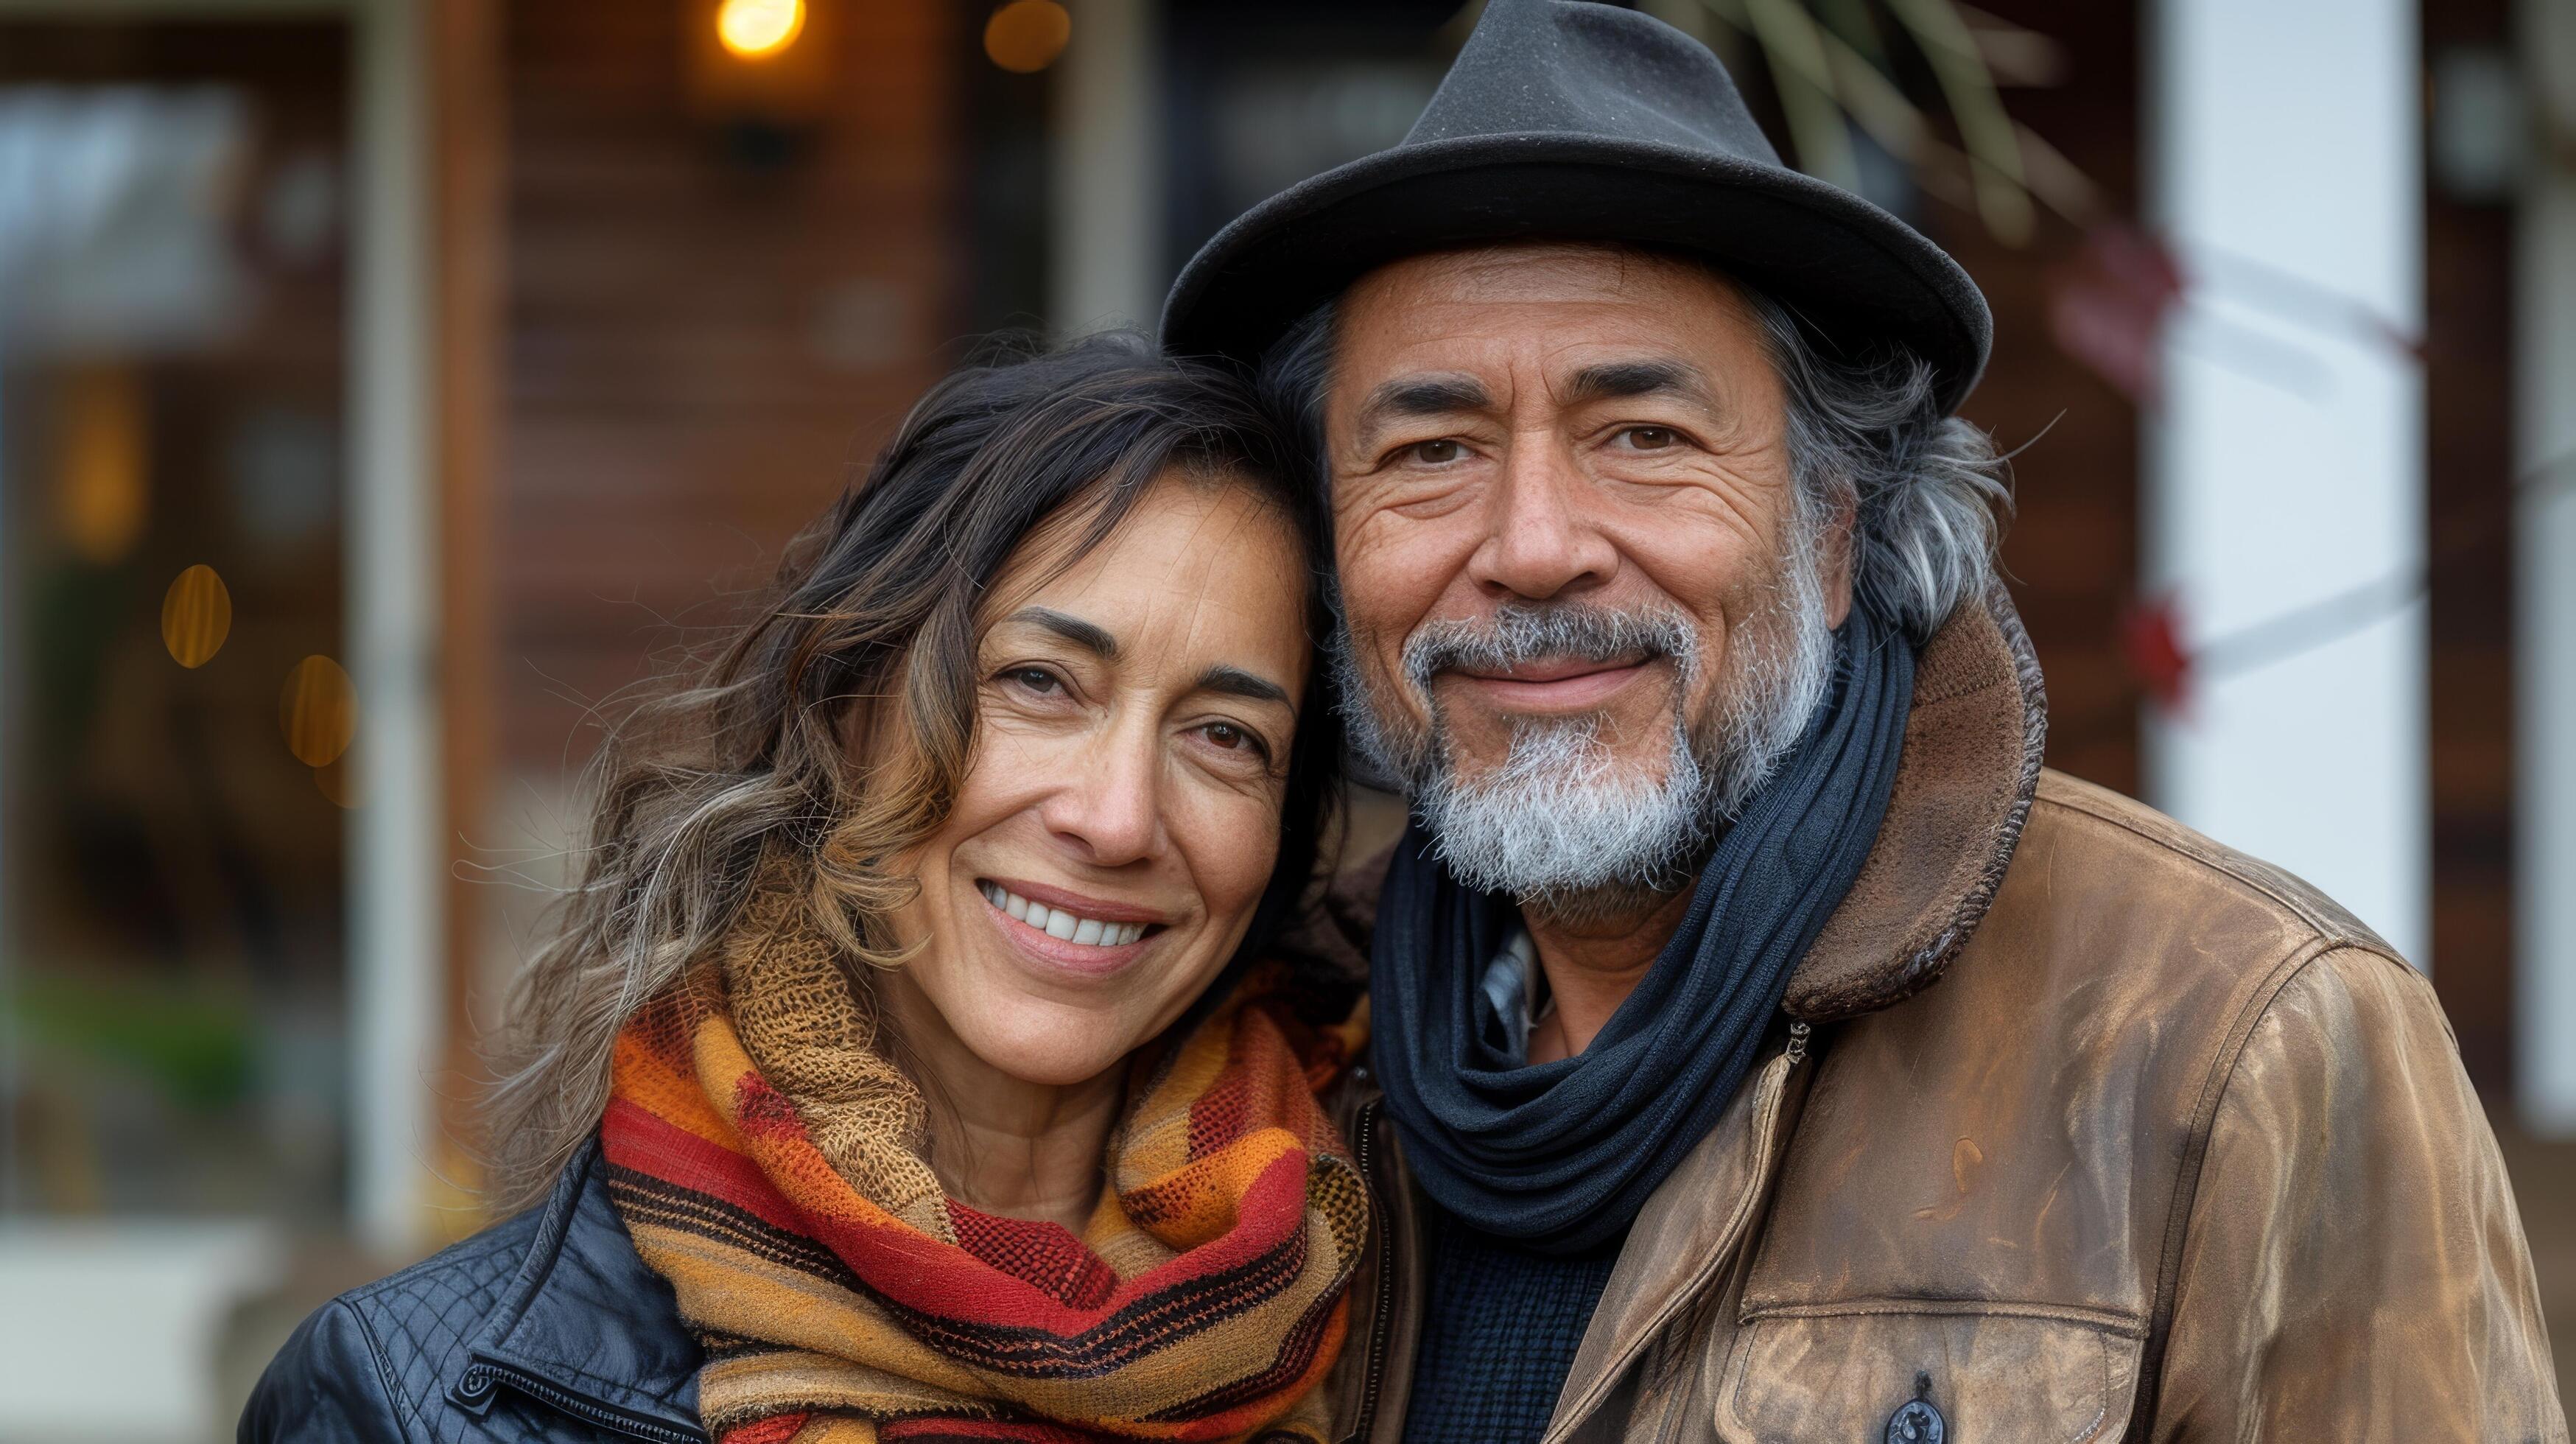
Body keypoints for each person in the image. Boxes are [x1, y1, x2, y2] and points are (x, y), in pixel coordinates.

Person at [1164, 1, 2569, 1440]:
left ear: (1831, 531)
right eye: (1432, 450)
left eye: (1643, 435)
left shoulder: (2240, 1040)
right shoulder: (1262, 1062)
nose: (1531, 543)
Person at [240, 334, 1383, 1443]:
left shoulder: (1390, 1298)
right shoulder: (408, 1405)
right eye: (1040, 681)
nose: (1119, 816)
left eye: (1225, 735)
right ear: (847, 707)